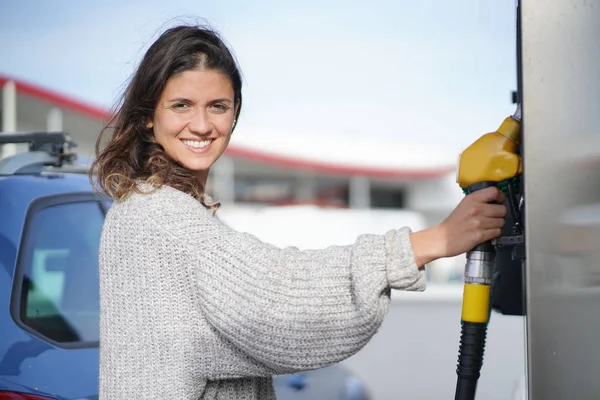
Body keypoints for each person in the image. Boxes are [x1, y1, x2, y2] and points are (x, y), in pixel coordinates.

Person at [92, 24, 507, 400]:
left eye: (217, 106)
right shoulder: (157, 218)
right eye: (181, 105)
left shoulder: (156, 208)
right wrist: (430, 242)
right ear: (149, 117)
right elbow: (279, 295)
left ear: (235, 112)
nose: (201, 125)